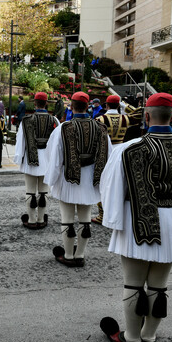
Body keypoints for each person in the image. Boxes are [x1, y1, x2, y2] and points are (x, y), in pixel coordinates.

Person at [99, 92, 172, 342]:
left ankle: (132, 337)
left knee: (133, 284)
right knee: (159, 285)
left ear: (146, 116)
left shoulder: (129, 148)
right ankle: (149, 336)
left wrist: (112, 220)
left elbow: (111, 187)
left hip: (137, 221)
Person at [44, 92, 111, 267]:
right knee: (85, 217)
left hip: (68, 178)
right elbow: (107, 155)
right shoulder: (100, 128)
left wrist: (51, 179)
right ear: (88, 106)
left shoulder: (63, 128)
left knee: (67, 217)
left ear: (72, 107)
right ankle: (80, 254)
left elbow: (55, 157)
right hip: (90, 180)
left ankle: (68, 254)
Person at [92, 95, 143, 224]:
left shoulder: (99, 119)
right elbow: (140, 112)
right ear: (118, 105)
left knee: (101, 182)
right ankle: (118, 211)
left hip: (104, 152)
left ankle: (102, 213)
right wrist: (124, 105)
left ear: (106, 105)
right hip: (120, 151)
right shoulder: (125, 118)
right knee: (119, 182)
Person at [14, 92, 59, 230]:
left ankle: (32, 220)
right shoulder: (54, 120)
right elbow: (58, 143)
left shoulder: (27, 120)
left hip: (30, 159)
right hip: (47, 159)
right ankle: (41, 219)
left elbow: (20, 141)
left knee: (30, 191)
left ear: (35, 103)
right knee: (44, 191)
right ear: (46, 103)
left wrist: (19, 157)